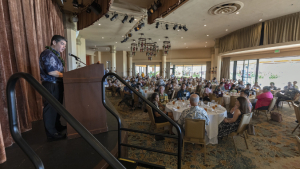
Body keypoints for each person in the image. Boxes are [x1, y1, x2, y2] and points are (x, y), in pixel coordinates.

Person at [39, 35, 67, 141]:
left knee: (57, 107)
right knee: (50, 108)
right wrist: (66, 76)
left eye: (65, 45)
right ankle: (51, 133)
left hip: (57, 84)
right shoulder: (48, 53)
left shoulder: (56, 55)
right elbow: (52, 72)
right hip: (50, 84)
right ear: (54, 42)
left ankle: (57, 126)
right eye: (62, 43)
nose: (64, 46)